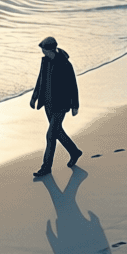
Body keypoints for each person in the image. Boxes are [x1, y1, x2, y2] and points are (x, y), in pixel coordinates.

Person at [29, 35, 82, 178]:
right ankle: (74, 152)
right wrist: (34, 97)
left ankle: (46, 167)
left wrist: (75, 105)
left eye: (44, 50)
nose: (42, 53)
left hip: (61, 105)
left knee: (50, 135)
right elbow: (40, 79)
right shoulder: (45, 61)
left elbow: (73, 85)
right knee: (57, 132)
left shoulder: (65, 64)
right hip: (48, 104)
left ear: (51, 49)